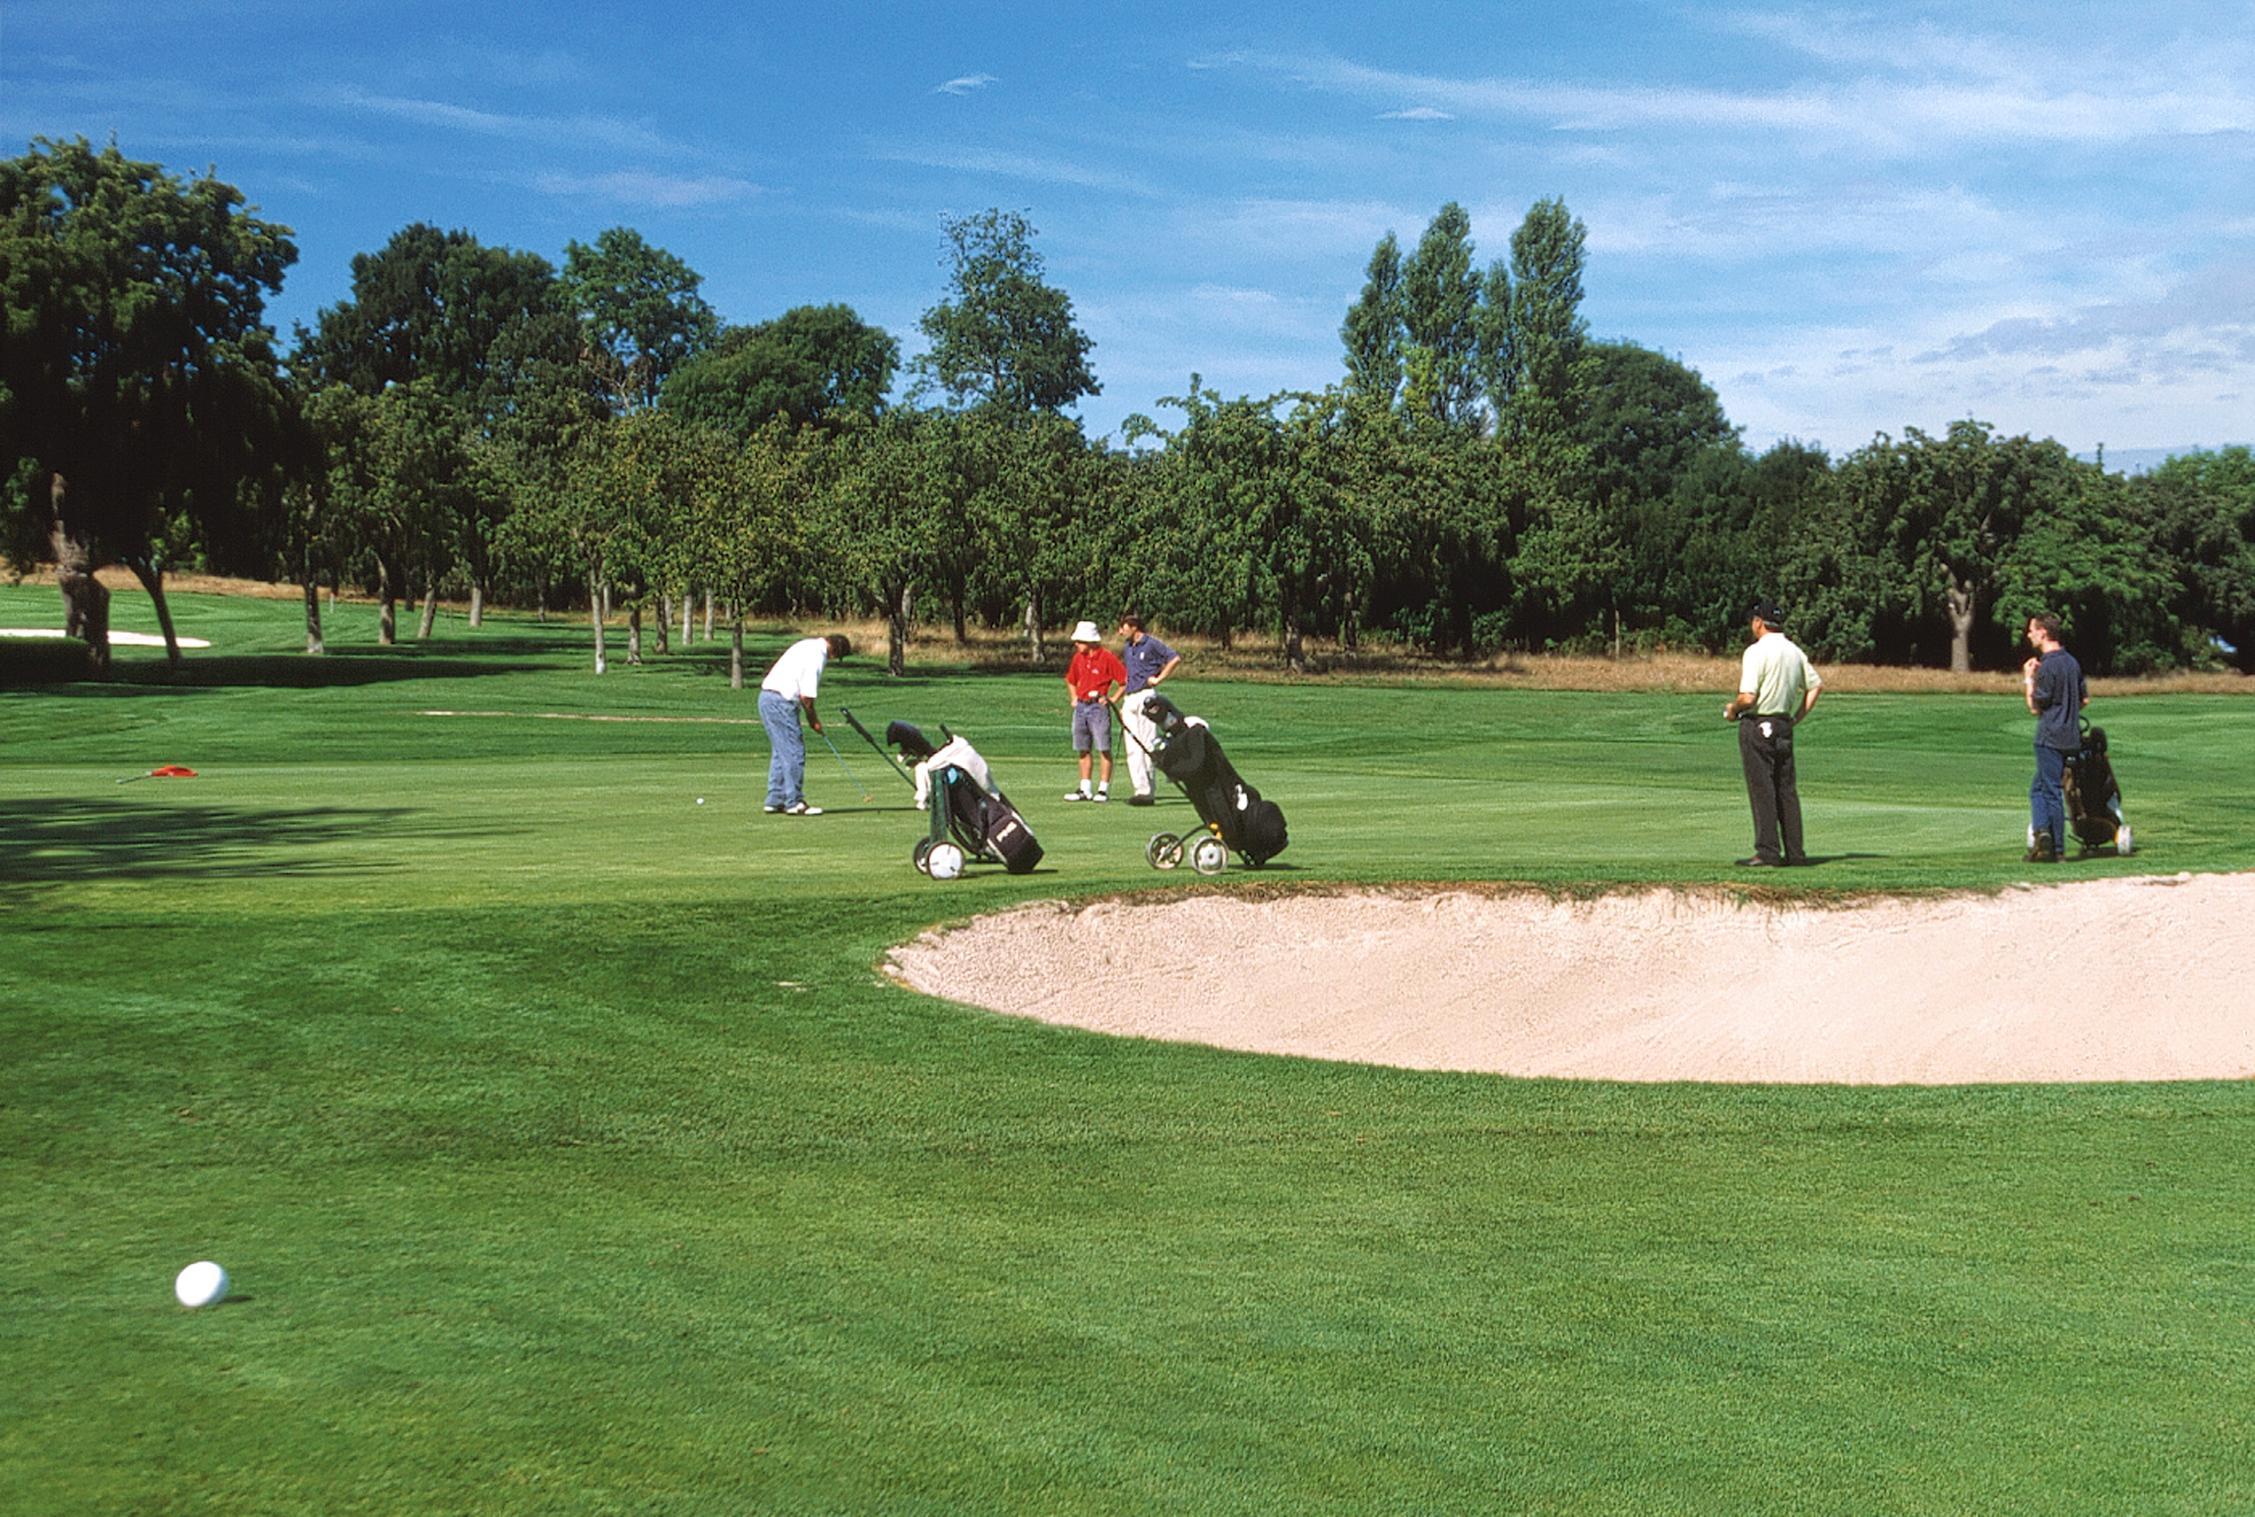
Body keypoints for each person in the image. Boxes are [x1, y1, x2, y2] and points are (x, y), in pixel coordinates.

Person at [1722, 601, 1822, 867]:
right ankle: (1795, 853)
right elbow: (1815, 687)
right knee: (1786, 790)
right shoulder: (1794, 651)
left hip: (1757, 724)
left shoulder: (1756, 652)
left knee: (1762, 789)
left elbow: (1748, 697)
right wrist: (1796, 718)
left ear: (1759, 622)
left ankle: (1767, 852)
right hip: (1783, 725)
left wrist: (1732, 709)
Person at [758, 633, 851, 815]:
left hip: (766, 698)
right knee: (794, 751)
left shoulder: (807, 645)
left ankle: (775, 799)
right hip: (781, 701)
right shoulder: (818, 655)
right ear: (834, 650)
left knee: (781, 750)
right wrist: (813, 720)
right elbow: (806, 697)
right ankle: (794, 802)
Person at [2022, 613, 2088, 864]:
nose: (2029, 635)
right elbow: (2084, 700)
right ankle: (2043, 834)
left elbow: (2035, 706)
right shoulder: (2072, 663)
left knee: (2050, 791)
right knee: (2038, 789)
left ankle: (2056, 848)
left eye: (2032, 630)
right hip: (2070, 736)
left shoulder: (2048, 665)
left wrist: (2028, 679)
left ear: (2043, 633)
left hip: (2049, 735)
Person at [1115, 614, 1181, 806]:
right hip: (1131, 697)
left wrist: (1159, 678)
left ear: (1134, 627)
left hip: (1146, 696)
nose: (1121, 632)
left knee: (1146, 744)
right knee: (1132, 746)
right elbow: (1129, 675)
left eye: (1123, 627)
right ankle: (1140, 789)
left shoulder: (1151, 644)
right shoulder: (1128, 647)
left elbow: (1174, 658)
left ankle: (1148, 791)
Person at [1062, 618, 1125, 802]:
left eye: (1080, 641)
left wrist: (1112, 699)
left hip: (1098, 706)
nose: (1076, 644)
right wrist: (1073, 698)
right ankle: (1085, 788)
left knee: (1103, 747)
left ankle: (1103, 789)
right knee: (1083, 748)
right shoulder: (1078, 658)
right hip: (1082, 706)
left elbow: (1123, 681)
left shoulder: (1106, 657)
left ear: (1090, 642)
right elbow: (1071, 679)